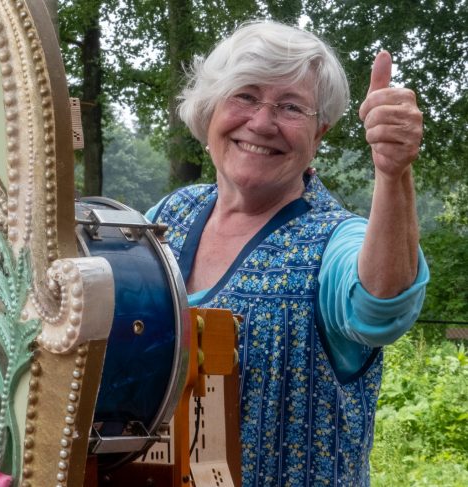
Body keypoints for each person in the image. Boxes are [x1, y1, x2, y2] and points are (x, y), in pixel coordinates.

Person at [146, 21, 429, 486]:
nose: (261, 122)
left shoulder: (332, 238)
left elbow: (379, 307)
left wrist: (394, 173)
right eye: (244, 96)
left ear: (319, 133)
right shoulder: (170, 214)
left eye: (291, 107)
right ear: (209, 109)